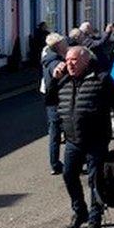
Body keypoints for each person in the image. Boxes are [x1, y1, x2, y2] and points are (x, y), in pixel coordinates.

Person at [47, 46, 114, 228]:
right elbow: (49, 101)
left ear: (85, 60)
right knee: (68, 175)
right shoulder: (64, 79)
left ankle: (95, 219)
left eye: (74, 60)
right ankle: (79, 211)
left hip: (97, 138)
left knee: (95, 180)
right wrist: (53, 80)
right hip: (73, 139)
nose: (69, 64)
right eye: (67, 60)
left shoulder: (102, 79)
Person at [41, 32, 68, 174]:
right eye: (64, 43)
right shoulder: (55, 62)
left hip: (51, 101)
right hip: (58, 102)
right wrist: (59, 71)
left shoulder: (48, 57)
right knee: (62, 133)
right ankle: (58, 164)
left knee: (55, 133)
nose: (67, 45)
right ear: (58, 46)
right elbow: (56, 71)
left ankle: (55, 164)